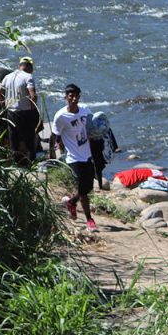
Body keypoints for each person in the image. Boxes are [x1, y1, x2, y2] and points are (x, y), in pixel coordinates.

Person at [49, 84, 97, 230]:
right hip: (73, 157)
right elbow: (54, 135)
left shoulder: (85, 111)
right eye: (71, 96)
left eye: (76, 95)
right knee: (83, 188)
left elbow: (93, 128)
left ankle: (71, 202)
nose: (74, 98)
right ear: (66, 97)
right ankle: (89, 219)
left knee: (87, 187)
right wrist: (51, 153)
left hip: (87, 154)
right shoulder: (61, 116)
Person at [0, 57, 39, 166]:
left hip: (11, 112)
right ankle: (31, 163)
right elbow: (33, 96)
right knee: (29, 139)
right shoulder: (28, 76)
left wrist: (4, 103)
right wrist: (33, 108)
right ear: (30, 67)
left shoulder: (8, 77)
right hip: (25, 113)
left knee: (13, 139)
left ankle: (15, 164)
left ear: (20, 66)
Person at [86, 109, 120, 191]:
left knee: (97, 167)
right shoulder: (106, 129)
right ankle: (99, 185)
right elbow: (113, 145)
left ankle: (100, 185)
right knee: (98, 168)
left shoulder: (91, 132)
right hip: (100, 152)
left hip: (96, 152)